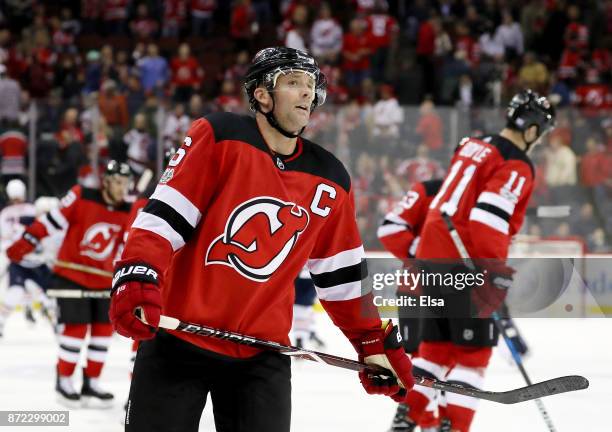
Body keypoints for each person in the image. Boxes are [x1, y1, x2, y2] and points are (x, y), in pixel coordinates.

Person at [109, 47, 415, 432]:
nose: (306, 93)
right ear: (261, 95)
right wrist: (139, 272)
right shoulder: (219, 135)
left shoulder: (331, 177)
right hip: (177, 339)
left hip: (261, 355)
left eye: (310, 86)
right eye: (292, 83)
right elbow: (167, 215)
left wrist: (373, 342)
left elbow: (344, 277)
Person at [397, 89, 555, 431]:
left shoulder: (474, 144)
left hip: (431, 257)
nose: (538, 140)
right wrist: (494, 271)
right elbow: (488, 219)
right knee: (473, 356)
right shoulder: (516, 162)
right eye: (539, 133)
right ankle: (453, 427)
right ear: (531, 128)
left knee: (434, 351)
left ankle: (406, 419)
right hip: (466, 262)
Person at [6, 161, 132, 408]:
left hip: (104, 279)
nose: (122, 188)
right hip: (71, 275)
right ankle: (64, 381)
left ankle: (91, 382)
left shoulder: (128, 210)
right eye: (117, 182)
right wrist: (27, 241)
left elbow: (127, 244)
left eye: (125, 183)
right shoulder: (80, 195)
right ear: (106, 181)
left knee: (102, 334)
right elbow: (51, 221)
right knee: (75, 331)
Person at [377, 178, 442, 431]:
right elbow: (389, 229)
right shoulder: (430, 189)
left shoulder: (483, 197)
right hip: (417, 290)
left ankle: (433, 421)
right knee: (422, 360)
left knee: (447, 363)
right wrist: (427, 252)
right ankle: (426, 422)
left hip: (458, 292)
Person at [0, 180, 54, 336]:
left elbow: (45, 230)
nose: (17, 200)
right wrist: (11, 250)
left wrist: (44, 250)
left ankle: (57, 323)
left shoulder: (32, 209)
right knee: (15, 291)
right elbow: (5, 238)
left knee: (47, 296)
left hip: (37, 261)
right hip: (19, 261)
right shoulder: (5, 214)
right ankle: (1, 322)